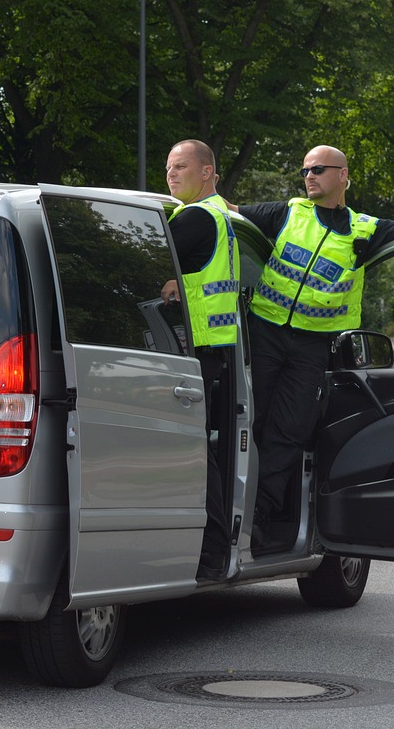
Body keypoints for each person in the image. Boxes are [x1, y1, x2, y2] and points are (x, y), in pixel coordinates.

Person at [234, 144, 394, 550]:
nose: (309, 175)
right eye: (305, 169)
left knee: (287, 433)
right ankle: (230, 509)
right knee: (248, 423)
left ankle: (258, 517)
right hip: (265, 335)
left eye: (318, 168)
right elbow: (227, 212)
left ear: (343, 176)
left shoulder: (364, 228)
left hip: (313, 349)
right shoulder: (288, 212)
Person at [160, 139, 239, 581]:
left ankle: (209, 554)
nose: (171, 174)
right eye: (168, 167)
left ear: (207, 172)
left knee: (192, 455)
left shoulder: (193, 218)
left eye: (182, 167)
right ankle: (213, 551)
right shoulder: (221, 216)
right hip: (213, 351)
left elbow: (135, 266)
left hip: (191, 353)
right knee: (200, 452)